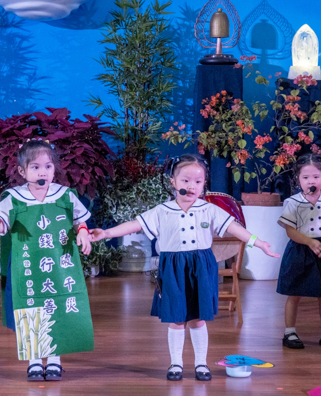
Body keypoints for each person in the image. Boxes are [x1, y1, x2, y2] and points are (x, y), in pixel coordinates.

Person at [90, 154, 279, 381]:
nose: (191, 187)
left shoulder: (209, 210)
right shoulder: (162, 211)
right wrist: (107, 233)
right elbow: (135, 225)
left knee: (198, 318)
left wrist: (258, 242)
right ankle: (176, 364)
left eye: (198, 182)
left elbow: (235, 228)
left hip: (201, 266)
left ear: (204, 184)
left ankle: (201, 363)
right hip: (173, 267)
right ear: (173, 181)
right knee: (177, 318)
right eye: (186, 181)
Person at [0, 140, 93, 381]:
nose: (43, 172)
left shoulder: (64, 195)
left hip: (60, 264)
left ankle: (54, 360)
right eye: (36, 167)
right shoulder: (14, 198)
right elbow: (2, 218)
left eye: (48, 167)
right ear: (22, 171)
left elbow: (79, 220)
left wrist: (82, 232)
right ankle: (33, 360)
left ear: (54, 169)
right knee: (31, 306)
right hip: (28, 264)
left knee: (59, 305)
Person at [277, 153, 321, 349]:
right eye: (306, 177)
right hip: (301, 250)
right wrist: (309, 242)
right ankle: (289, 332)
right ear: (298, 179)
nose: (311, 181)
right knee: (294, 293)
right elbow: (290, 230)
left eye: (316, 177)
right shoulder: (292, 202)